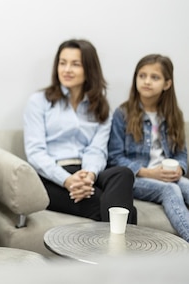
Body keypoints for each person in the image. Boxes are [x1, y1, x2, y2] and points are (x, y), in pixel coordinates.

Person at [23, 39, 137, 223]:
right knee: (120, 210)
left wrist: (89, 174)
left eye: (75, 64)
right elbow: (35, 154)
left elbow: (97, 150)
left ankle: (120, 247)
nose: (67, 69)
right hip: (52, 175)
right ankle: (125, 250)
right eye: (62, 62)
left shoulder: (101, 106)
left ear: (89, 69)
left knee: (123, 173)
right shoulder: (39, 101)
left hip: (87, 170)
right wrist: (68, 180)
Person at [108, 54, 189, 241]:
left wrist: (179, 169)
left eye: (155, 77)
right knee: (170, 190)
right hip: (139, 178)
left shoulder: (173, 114)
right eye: (142, 75)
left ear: (167, 84)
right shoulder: (123, 114)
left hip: (168, 176)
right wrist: (149, 173)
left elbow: (181, 154)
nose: (147, 81)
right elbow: (114, 158)